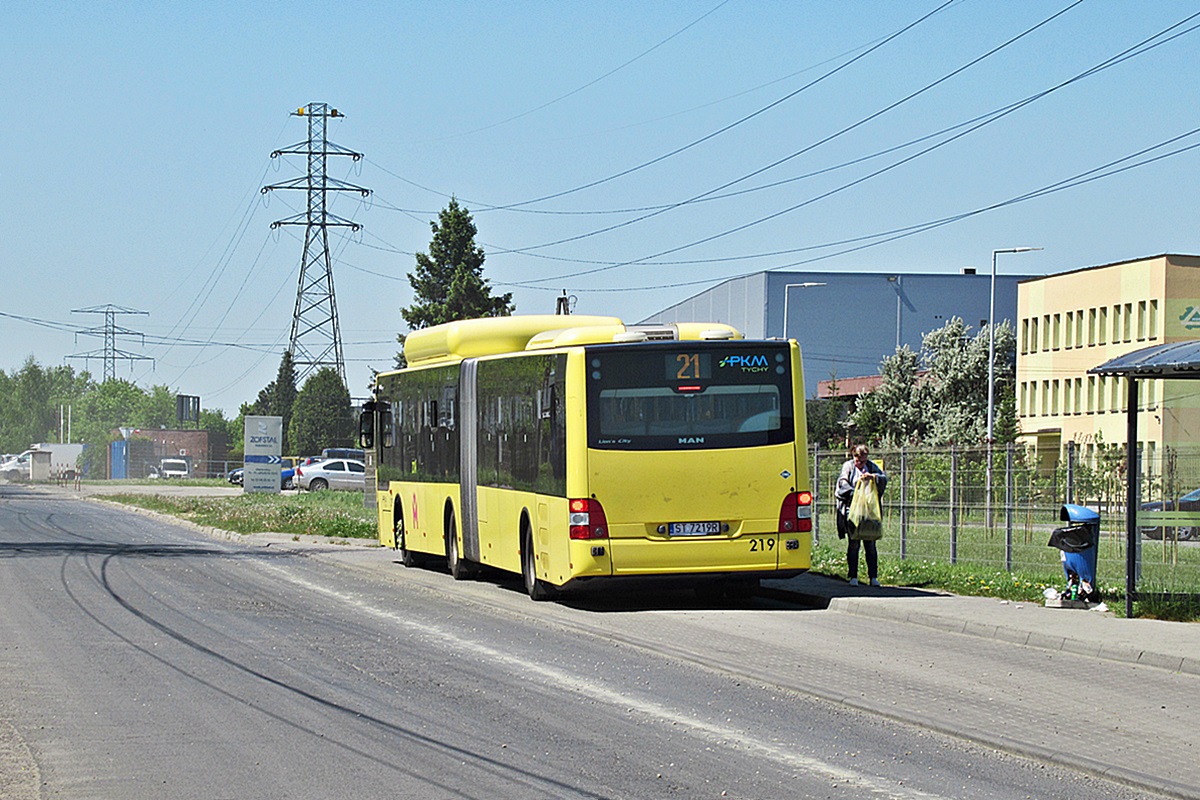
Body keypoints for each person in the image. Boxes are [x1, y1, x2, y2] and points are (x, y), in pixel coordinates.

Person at [835, 444, 888, 586]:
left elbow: (883, 479)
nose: (860, 463)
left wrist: (873, 477)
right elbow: (842, 483)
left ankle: (873, 577)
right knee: (854, 543)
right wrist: (854, 491)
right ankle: (853, 576)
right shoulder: (848, 466)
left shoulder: (870, 467)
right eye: (858, 460)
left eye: (863, 460)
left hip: (868, 512)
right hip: (852, 510)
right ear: (854, 456)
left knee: (870, 543)